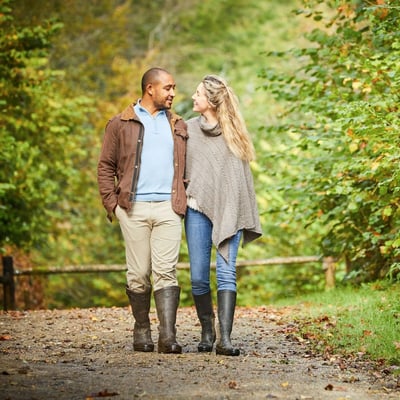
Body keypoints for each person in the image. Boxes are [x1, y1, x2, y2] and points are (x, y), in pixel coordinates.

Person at [97, 67, 188, 354]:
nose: (173, 93)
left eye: (173, 88)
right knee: (138, 273)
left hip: (168, 208)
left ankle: (168, 335)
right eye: (168, 88)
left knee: (166, 272)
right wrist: (112, 204)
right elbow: (105, 167)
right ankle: (141, 329)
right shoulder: (120, 123)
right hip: (132, 208)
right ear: (150, 88)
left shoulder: (178, 124)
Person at [184, 74, 262, 356]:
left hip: (229, 214)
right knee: (197, 277)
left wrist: (235, 213)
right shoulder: (187, 129)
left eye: (198, 94)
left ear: (211, 101)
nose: (193, 98)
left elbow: (239, 184)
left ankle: (225, 339)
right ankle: (207, 331)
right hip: (196, 210)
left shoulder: (235, 136)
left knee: (226, 275)